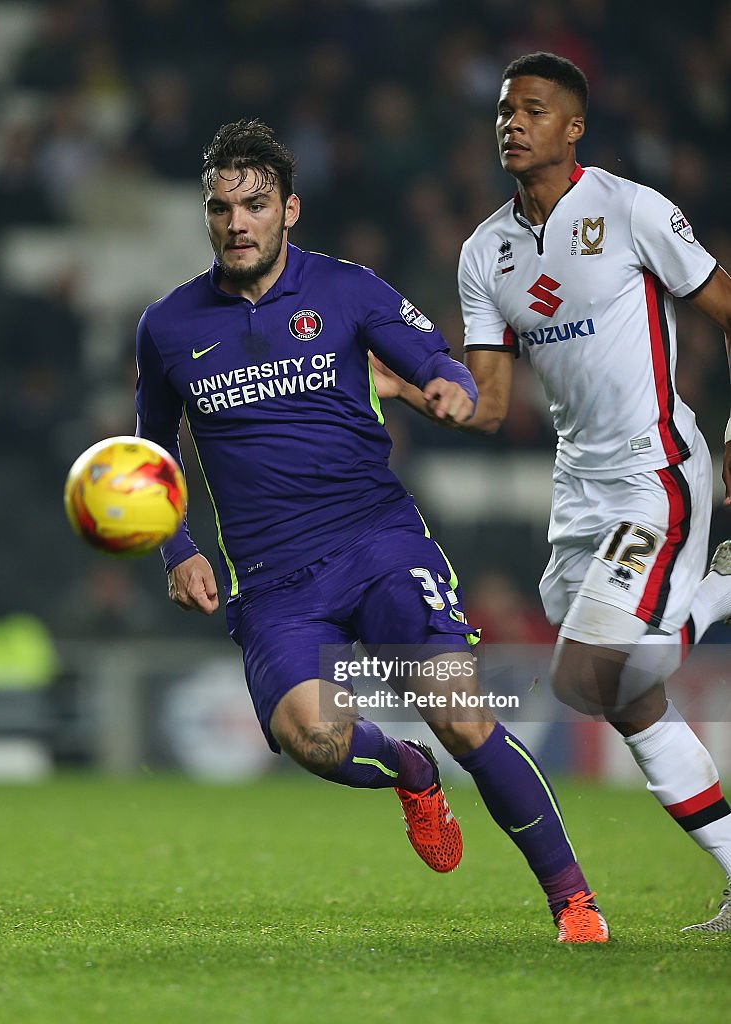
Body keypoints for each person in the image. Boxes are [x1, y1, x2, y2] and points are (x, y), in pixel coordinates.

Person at [134, 118, 608, 943]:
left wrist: (451, 386)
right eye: (220, 208)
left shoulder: (347, 289)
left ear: (290, 209)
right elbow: (148, 450)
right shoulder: (168, 325)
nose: (235, 224)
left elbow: (430, 357)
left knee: (461, 715)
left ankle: (572, 901)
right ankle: (406, 770)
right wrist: (176, 548)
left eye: (253, 206)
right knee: (310, 737)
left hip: (376, 543)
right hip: (272, 580)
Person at [374, 52, 731, 934]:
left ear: (572, 127)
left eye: (531, 109)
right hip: (576, 494)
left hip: (652, 476)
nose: (510, 122)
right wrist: (401, 386)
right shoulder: (483, 251)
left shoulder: (628, 209)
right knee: (625, 696)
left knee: (583, 673)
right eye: (502, 110)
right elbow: (489, 405)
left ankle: (719, 585)